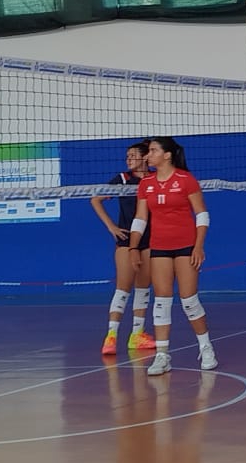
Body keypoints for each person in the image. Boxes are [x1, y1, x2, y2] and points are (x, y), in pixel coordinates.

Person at [131, 137, 218, 376]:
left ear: (167, 155)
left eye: (153, 151)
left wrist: (198, 247)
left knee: (189, 300)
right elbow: (140, 218)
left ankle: (206, 347)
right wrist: (133, 247)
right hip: (159, 247)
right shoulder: (146, 184)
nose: (148, 155)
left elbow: (202, 214)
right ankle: (162, 356)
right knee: (161, 301)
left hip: (186, 246)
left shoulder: (185, 180)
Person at [91, 140, 157, 357]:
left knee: (143, 287)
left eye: (133, 155)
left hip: (150, 241)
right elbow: (96, 200)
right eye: (127, 156)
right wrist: (111, 227)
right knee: (123, 287)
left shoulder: (155, 179)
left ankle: (137, 335)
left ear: (145, 157)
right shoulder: (122, 179)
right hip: (127, 241)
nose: (128, 159)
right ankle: (111, 335)